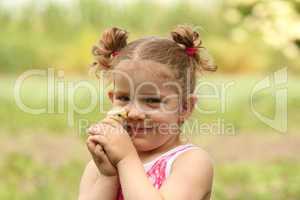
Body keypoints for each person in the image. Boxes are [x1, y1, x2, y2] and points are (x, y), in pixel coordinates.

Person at [78, 24, 217, 200]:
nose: (134, 113)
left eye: (152, 100)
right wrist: (109, 176)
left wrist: (126, 159)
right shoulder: (99, 166)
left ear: (184, 107)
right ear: (112, 98)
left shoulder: (191, 162)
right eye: (124, 98)